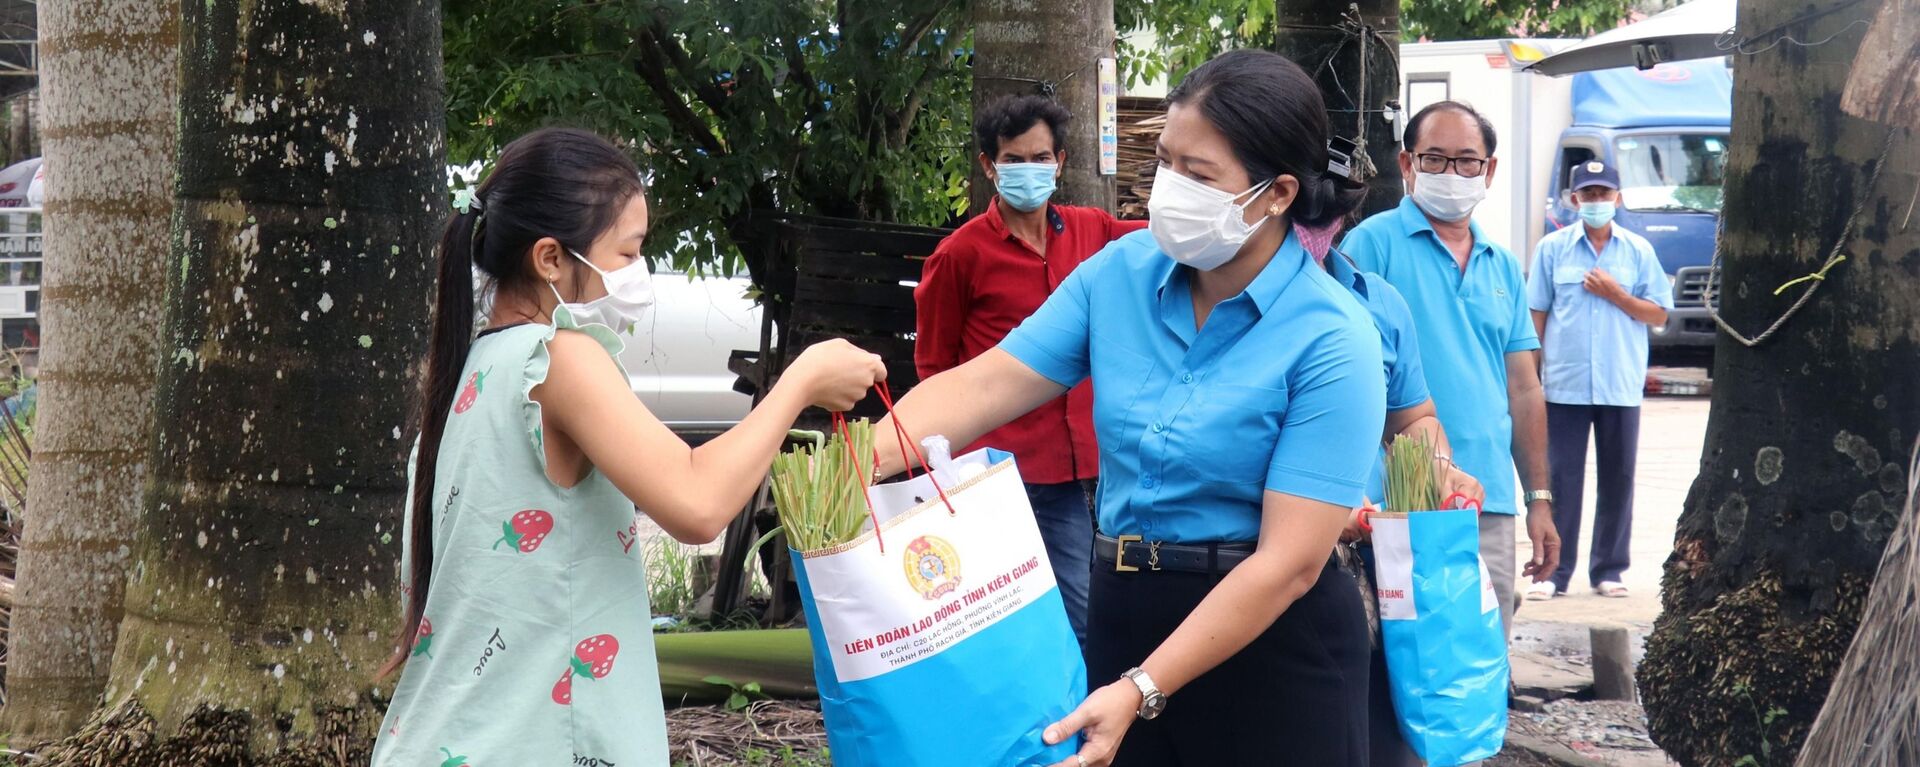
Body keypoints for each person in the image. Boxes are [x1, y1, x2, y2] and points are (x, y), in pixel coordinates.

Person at [875, 50, 1384, 766]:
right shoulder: (1119, 274)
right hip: (1122, 613)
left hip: (1272, 648)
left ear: (1276, 195)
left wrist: (1145, 685)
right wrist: (851, 467)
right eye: (1167, 163)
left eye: (1199, 175)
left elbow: (1288, 564)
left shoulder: (1334, 337)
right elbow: (982, 386)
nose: (1169, 189)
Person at [370, 128, 886, 765]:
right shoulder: (559, 358)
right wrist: (800, 380)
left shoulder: (465, 373)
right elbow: (696, 502)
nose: (638, 275)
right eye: (627, 253)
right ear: (551, 258)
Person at [915, 95, 1146, 644]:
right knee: (1069, 618)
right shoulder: (960, 255)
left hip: (1093, 466)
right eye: (1013, 160)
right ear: (989, 166)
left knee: (1103, 608)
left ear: (1061, 163)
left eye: (1040, 158)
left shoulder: (1092, 233)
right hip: (1003, 470)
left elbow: (1159, 241)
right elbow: (935, 368)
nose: (1029, 171)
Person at [1341, 101, 1562, 637]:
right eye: (1434, 159)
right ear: (1406, 163)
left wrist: (1539, 499)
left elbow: (1524, 388)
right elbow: (1342, 376)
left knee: (1482, 654)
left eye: (1466, 161)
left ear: (1488, 170)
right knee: (1402, 655)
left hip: (1486, 498)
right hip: (1397, 502)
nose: (1450, 173)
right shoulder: (1370, 245)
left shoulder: (1503, 264)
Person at [1524, 160, 1673, 601]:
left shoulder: (1638, 251)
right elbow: (1538, 314)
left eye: (1603, 194)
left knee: (1618, 477)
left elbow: (1659, 313)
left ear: (1618, 198)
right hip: (1565, 384)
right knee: (1560, 479)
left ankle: (1609, 569)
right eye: (1587, 195)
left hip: (1620, 384)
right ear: (1573, 200)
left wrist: (1616, 294)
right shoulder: (1552, 249)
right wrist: (1531, 375)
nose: (1595, 202)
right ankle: (1555, 571)